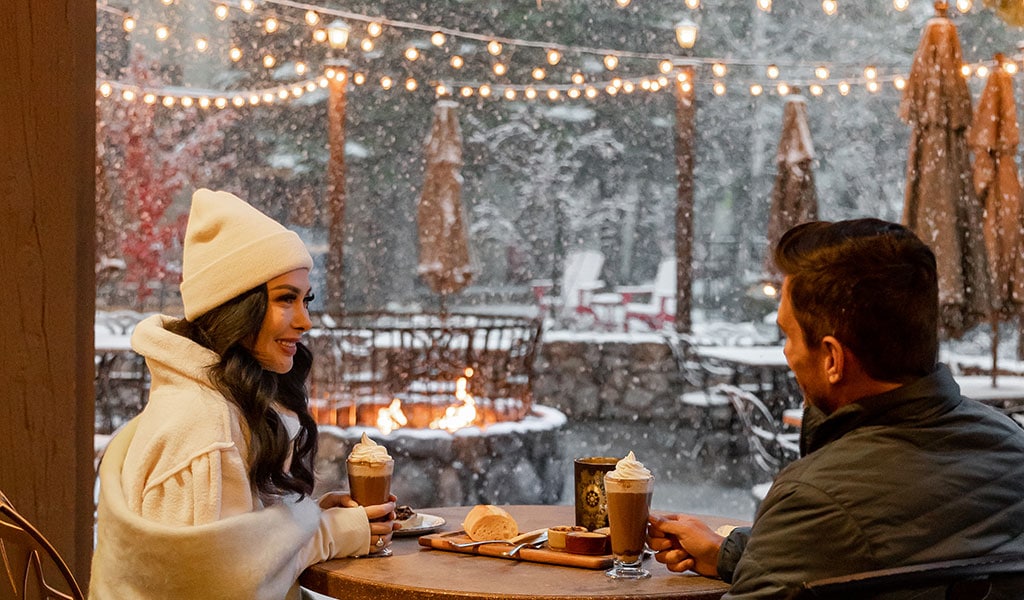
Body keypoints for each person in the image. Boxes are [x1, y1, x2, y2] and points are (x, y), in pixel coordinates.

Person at [649, 218, 1024, 598]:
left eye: (788, 334)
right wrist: (728, 554)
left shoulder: (814, 499)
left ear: (832, 358)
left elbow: (842, 532)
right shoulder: (1013, 447)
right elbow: (909, 547)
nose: (787, 353)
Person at [91, 189, 396, 599]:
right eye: (285, 299)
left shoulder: (212, 403)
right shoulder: (205, 425)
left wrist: (310, 518)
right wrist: (328, 533)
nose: (305, 321)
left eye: (306, 299)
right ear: (235, 306)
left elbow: (232, 549)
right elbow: (215, 585)